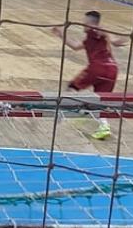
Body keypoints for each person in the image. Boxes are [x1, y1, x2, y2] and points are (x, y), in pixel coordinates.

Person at [51, 11, 128, 140]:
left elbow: (103, 31)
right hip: (112, 70)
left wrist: (114, 40)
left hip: (98, 68)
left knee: (72, 86)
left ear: (90, 23)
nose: (83, 24)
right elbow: (75, 46)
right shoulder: (89, 39)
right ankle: (104, 126)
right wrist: (61, 34)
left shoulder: (95, 30)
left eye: (84, 22)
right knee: (100, 101)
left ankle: (66, 112)